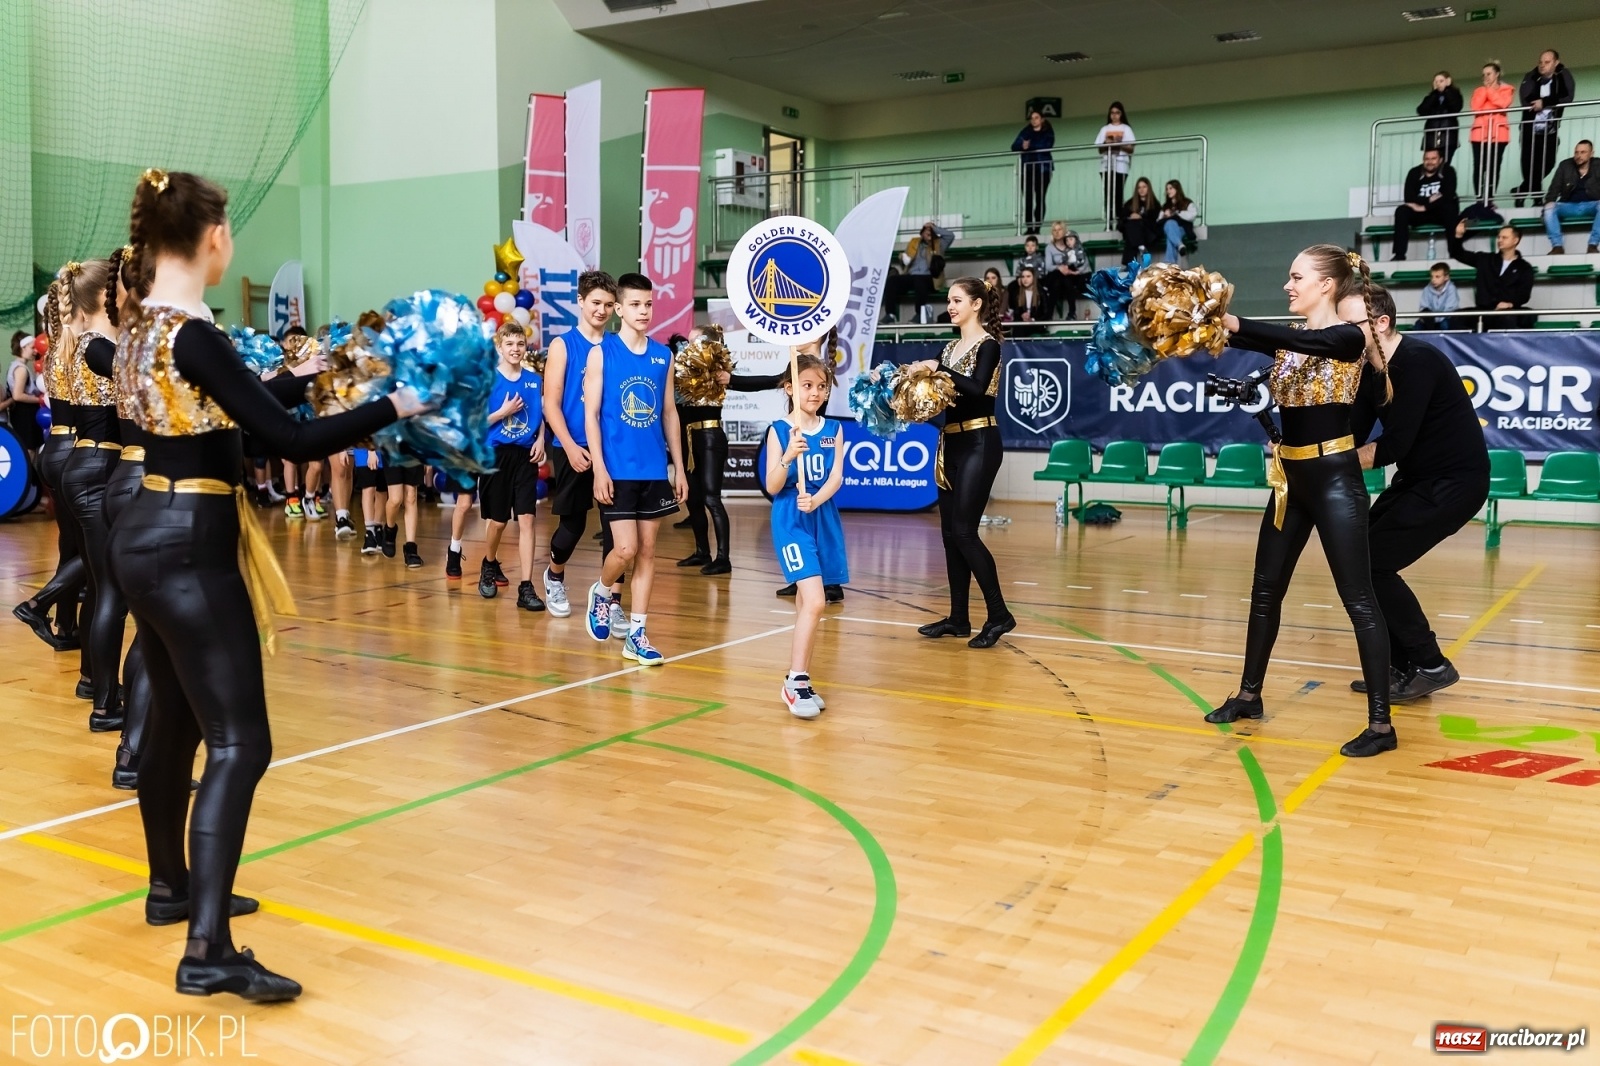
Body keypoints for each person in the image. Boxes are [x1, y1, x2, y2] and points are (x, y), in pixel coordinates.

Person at [106, 168, 426, 1001]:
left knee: (176, 726)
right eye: (230, 232)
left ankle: (172, 888)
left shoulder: (145, 326)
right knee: (243, 744)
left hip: (146, 530)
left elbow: (229, 417)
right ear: (214, 238)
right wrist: (394, 405)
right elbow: (286, 438)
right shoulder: (195, 332)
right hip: (189, 548)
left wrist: (316, 373)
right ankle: (208, 947)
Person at [1199, 244, 1396, 759]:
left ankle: (1380, 725)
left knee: (1359, 599)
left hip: (1334, 479)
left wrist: (1235, 321)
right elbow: (1272, 353)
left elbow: (1287, 339)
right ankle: (1248, 695)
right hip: (1290, 479)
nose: (1288, 286)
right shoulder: (1294, 344)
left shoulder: (1349, 337)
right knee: (1265, 589)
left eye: (1296, 277)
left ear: (1326, 285)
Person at [1343, 285, 1489, 704]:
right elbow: (1349, 435)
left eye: (1350, 326)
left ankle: (1430, 663)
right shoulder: (1371, 370)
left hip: (1455, 484)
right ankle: (1403, 666)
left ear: (1381, 323)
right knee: (1359, 560)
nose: (1342, 334)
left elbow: (1392, 448)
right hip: (1419, 481)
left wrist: (1324, 461)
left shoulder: (1418, 362)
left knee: (1374, 564)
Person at [580, 273, 686, 663]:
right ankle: (603, 591)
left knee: (648, 553)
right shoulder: (601, 354)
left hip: (654, 470)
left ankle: (638, 633)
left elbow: (670, 414)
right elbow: (590, 416)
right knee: (624, 550)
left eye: (649, 304)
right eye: (636, 305)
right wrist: (599, 469)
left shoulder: (663, 356)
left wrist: (680, 467)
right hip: (617, 470)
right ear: (618, 309)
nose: (644, 311)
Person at [913, 276, 1014, 650]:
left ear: (976, 304)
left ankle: (999, 614)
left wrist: (935, 369)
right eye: (949, 300)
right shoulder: (949, 346)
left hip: (980, 441)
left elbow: (974, 389)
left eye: (957, 300)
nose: (951, 306)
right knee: (949, 535)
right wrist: (909, 391)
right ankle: (958, 618)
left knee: (965, 532)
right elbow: (939, 399)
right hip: (950, 443)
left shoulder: (988, 345)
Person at [56, 258, 126, 731]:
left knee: (103, 587)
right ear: (106, 297)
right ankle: (105, 703)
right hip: (97, 466)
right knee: (109, 594)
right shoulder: (100, 346)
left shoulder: (83, 343)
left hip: (88, 464)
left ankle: (94, 683)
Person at [764, 352, 847, 719]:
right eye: (807, 385)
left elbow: (837, 477)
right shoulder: (780, 431)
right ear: (790, 388)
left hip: (822, 515)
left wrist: (817, 499)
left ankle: (803, 678)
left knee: (805, 605)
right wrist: (787, 457)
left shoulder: (833, 429)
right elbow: (771, 484)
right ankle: (794, 682)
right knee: (815, 601)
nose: (815, 393)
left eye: (821, 386)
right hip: (790, 521)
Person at [12, 269, 87, 656]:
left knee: (71, 544)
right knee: (92, 551)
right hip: (75, 447)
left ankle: (65, 625)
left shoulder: (56, 346)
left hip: (53, 449)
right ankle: (40, 605)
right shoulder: (82, 346)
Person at [671, 324, 782, 575]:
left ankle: (723, 558)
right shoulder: (679, 371)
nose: (688, 347)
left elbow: (752, 383)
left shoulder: (716, 373)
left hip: (711, 437)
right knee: (694, 498)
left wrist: (780, 379)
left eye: (695, 342)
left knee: (712, 497)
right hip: (687, 438)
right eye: (688, 342)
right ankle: (702, 551)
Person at [541, 271, 618, 621]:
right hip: (573, 444)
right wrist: (570, 446)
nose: (601, 310)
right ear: (581, 302)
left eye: (607, 305)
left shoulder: (617, 347)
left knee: (618, 528)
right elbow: (550, 404)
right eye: (595, 303)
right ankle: (554, 574)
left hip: (611, 447)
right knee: (572, 525)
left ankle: (611, 602)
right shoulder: (563, 345)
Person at [479, 320, 546, 610]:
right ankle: (489, 563)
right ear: (500, 347)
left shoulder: (533, 380)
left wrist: (541, 439)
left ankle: (526, 587)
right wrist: (502, 412)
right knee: (498, 522)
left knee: (527, 519)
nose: (516, 349)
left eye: (520, 344)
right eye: (510, 344)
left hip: (524, 457)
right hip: (496, 456)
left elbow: (541, 415)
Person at [1510, 50, 1576, 208]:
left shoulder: (1563, 75)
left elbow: (1568, 97)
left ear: (1556, 63)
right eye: (1541, 61)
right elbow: (1525, 99)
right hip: (1529, 130)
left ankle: (1522, 189)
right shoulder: (1531, 76)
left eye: (1547, 62)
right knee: (1528, 165)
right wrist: (1538, 102)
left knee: (1548, 163)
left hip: (1550, 130)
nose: (1542, 65)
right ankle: (1537, 199)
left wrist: (1544, 102)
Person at [1447, 220, 1534, 330]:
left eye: (1504, 237)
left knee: (1509, 319)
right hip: (1484, 311)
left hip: (1508, 312)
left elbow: (1524, 294)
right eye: (1499, 237)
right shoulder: (1485, 259)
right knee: (1457, 317)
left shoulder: (1525, 267)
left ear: (1515, 240)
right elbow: (1458, 253)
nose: (1500, 240)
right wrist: (1458, 236)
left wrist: (1510, 304)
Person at [1391, 148, 1459, 260]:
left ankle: (1455, 254)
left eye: (1433, 159)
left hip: (1440, 213)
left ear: (1440, 160)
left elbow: (1448, 196)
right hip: (1420, 214)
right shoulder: (1414, 172)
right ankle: (1399, 255)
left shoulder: (1448, 171)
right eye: (1426, 159)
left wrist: (1424, 206)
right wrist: (1428, 201)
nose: (1430, 162)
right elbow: (1409, 198)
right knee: (1401, 211)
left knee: (1450, 208)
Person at [882, 222, 953, 324]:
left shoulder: (939, 244)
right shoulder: (914, 243)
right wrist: (903, 258)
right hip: (911, 276)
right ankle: (890, 314)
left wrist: (934, 228)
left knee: (920, 280)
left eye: (931, 231)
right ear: (922, 233)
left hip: (930, 278)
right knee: (892, 280)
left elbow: (950, 236)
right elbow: (905, 261)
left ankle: (919, 314)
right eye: (926, 230)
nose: (929, 232)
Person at [1541, 139, 1600, 255]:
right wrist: (1548, 203)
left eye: (1583, 152)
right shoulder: (1565, 165)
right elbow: (1554, 188)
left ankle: (1593, 245)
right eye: (1576, 152)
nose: (1579, 155)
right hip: (1569, 206)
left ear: (1591, 154)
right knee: (1549, 208)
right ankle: (1557, 247)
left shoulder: (1598, 165)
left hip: (1591, 205)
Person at [1468, 60, 1514, 207]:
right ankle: (1480, 199)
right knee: (1478, 167)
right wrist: (1488, 93)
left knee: (1494, 168)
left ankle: (1490, 198)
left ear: (1497, 74)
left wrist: (1488, 92)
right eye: (1484, 75)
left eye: (1489, 74)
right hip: (1479, 133)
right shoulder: (1478, 91)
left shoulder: (1507, 89)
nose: (1486, 77)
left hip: (1498, 134)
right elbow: (1476, 107)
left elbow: (1503, 104)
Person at [1011, 109, 1055, 236]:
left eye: (1036, 117)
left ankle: (1037, 227)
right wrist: (1022, 146)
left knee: (1040, 198)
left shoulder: (1048, 131)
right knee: (1028, 199)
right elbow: (1014, 146)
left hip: (1043, 169)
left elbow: (1046, 144)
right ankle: (1029, 227)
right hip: (1028, 169)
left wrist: (1028, 146)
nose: (1033, 120)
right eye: (1032, 118)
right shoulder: (1026, 131)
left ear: (1042, 119)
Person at [1095, 102, 1136, 227]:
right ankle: (1108, 223)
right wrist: (1106, 143)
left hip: (1121, 165)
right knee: (1108, 195)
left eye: (1117, 113)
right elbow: (1099, 149)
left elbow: (1131, 148)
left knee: (1118, 194)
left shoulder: (1126, 129)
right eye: (1112, 113)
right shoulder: (1105, 129)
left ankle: (1119, 221)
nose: (1114, 115)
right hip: (1106, 165)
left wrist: (1118, 144)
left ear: (1121, 114)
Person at [7, 330, 45, 462]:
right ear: (22, 347)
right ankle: (27, 480)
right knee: (29, 450)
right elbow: (17, 395)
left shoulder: (16, 366)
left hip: (22, 412)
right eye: (32, 347)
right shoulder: (21, 369)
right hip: (24, 413)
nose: (35, 351)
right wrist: (39, 399)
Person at [1042, 225, 1091, 320]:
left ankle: (1054, 313)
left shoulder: (1078, 249)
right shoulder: (1052, 248)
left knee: (1064, 280)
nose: (1057, 232)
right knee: (1059, 278)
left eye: (1059, 230)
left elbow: (1083, 264)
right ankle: (1070, 312)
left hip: (1076, 276)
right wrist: (1060, 268)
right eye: (1054, 230)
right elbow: (1049, 266)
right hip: (1061, 277)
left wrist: (1072, 271)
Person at [1417, 71, 1464, 165]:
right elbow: (1421, 110)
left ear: (1448, 81)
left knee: (1445, 165)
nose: (1438, 83)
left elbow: (1455, 108)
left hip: (1448, 137)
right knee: (1431, 165)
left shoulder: (1455, 95)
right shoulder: (1431, 96)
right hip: (1431, 137)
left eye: (1441, 81)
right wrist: (1434, 94)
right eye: (1436, 81)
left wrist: (1446, 91)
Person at [1118, 177, 1160, 264]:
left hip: (1148, 234)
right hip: (1132, 233)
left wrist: (1141, 218)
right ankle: (1141, 247)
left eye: (1144, 187)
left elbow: (1155, 223)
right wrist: (1130, 217)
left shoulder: (1154, 204)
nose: (1141, 190)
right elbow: (1120, 224)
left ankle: (1128, 264)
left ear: (1148, 188)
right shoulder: (1129, 204)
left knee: (1134, 228)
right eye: (1139, 187)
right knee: (1132, 225)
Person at [1158, 180, 1198, 264]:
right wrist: (1165, 216)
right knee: (1170, 224)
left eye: (1170, 188)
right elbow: (1158, 221)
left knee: (1171, 235)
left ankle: (1170, 263)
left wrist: (1176, 213)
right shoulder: (1165, 206)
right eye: (1167, 189)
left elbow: (1192, 215)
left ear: (1177, 189)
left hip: (1182, 229)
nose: (1168, 191)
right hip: (1168, 228)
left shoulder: (1187, 202)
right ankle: (1179, 245)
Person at [1416, 263, 1459, 331]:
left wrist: (1434, 320)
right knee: (1418, 326)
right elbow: (1424, 308)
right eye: (1432, 276)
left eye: (1437, 276)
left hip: (1445, 319)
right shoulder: (1427, 289)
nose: (1433, 279)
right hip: (1430, 321)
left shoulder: (1451, 289)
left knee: (1445, 324)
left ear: (1446, 277)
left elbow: (1449, 311)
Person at [1007, 266, 1048, 336]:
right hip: (1022, 324)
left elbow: (1046, 313)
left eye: (1028, 276)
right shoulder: (1017, 293)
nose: (1025, 279)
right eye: (1023, 277)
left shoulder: (1041, 292)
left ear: (1033, 278)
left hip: (1036, 324)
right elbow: (1015, 311)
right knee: (1018, 328)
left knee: (1021, 329)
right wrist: (1022, 315)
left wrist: (1033, 319)